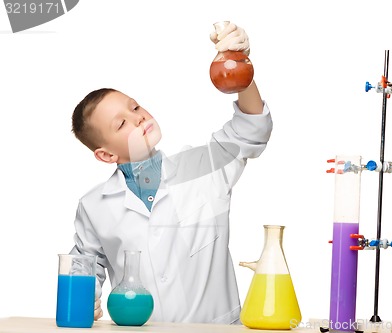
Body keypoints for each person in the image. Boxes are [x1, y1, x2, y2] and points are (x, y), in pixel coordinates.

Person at [69, 22, 272, 324]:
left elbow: (252, 128)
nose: (138, 118)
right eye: (121, 124)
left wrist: (240, 69)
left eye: (134, 107)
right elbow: (85, 263)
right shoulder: (94, 205)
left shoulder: (203, 165)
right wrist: (86, 299)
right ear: (106, 154)